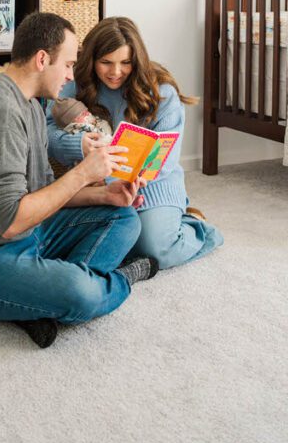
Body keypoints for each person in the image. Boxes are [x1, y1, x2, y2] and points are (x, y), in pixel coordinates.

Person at [0, 11, 159, 349]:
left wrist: (106, 195)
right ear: (41, 59)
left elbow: (45, 194)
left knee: (124, 218)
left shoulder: (31, 105)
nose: (69, 75)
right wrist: (82, 173)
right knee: (80, 293)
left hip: (26, 235)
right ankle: (113, 281)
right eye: (67, 65)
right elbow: (11, 220)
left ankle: (38, 303)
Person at [46, 16, 223, 270]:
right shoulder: (74, 82)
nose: (115, 72)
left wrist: (134, 180)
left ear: (136, 59)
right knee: (83, 241)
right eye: (106, 62)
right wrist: (79, 145)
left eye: (125, 63)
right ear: (92, 59)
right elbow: (45, 133)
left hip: (151, 186)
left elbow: (165, 160)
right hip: (94, 183)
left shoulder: (162, 92)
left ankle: (199, 229)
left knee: (154, 249)